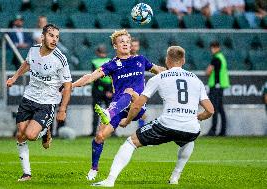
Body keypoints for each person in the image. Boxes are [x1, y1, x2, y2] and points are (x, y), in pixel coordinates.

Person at [91, 46, 214, 187]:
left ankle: (110, 180)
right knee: (188, 140)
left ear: (167, 61)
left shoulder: (160, 77)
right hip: (191, 127)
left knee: (130, 142)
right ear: (183, 60)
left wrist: (127, 120)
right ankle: (175, 177)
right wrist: (198, 117)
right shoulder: (195, 79)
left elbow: (137, 105)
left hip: (166, 125)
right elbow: (210, 110)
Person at [72, 29, 166, 181]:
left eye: (127, 42)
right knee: (100, 136)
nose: (125, 44)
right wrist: (71, 85)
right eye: (121, 41)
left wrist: (175, 71)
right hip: (119, 107)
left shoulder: (140, 60)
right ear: (115, 46)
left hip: (137, 104)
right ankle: (94, 169)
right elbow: (90, 77)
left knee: (129, 92)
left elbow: (160, 71)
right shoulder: (112, 64)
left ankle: (109, 113)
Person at [6, 24, 72, 181]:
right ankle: (26, 173)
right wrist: (14, 78)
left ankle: (45, 131)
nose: (54, 39)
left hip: (47, 102)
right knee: (20, 134)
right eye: (51, 35)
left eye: (57, 37)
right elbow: (27, 64)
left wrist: (62, 109)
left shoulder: (60, 58)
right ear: (43, 37)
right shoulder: (34, 49)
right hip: (29, 97)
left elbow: (68, 86)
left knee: (30, 135)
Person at [206, 41, 230, 136]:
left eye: (212, 48)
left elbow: (208, 71)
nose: (212, 50)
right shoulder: (222, 57)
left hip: (216, 86)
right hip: (221, 86)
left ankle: (213, 130)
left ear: (215, 48)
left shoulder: (216, 58)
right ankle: (223, 131)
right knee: (220, 108)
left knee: (214, 108)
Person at [91, 44, 112, 136]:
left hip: (106, 90)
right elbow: (94, 78)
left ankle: (111, 131)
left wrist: (110, 90)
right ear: (97, 53)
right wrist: (108, 89)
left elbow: (113, 77)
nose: (103, 54)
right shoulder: (94, 62)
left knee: (110, 112)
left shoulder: (110, 61)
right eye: (101, 52)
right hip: (98, 90)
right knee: (96, 112)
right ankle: (94, 131)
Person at [130, 37, 147, 128]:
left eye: (136, 46)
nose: (134, 48)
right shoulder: (123, 59)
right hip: (126, 89)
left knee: (142, 112)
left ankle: (141, 129)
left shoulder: (141, 59)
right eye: (132, 46)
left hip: (139, 89)